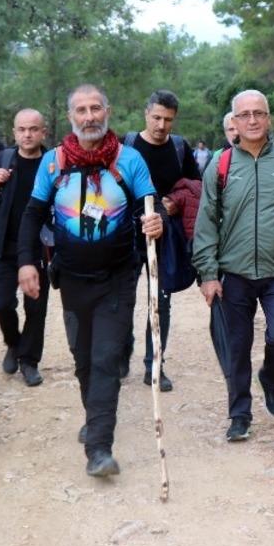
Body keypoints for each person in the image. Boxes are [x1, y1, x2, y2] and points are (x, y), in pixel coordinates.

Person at [17, 84, 162, 478]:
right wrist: (26, 263)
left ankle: (99, 447)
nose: (89, 117)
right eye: (81, 110)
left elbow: (151, 207)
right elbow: (32, 215)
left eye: (95, 108)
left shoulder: (129, 160)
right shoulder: (54, 163)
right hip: (72, 278)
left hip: (118, 277)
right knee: (83, 359)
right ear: (70, 118)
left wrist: (155, 221)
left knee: (104, 359)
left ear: (108, 110)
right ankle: (94, 417)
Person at [193, 90, 274, 442]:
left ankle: (270, 376)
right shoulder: (219, 165)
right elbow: (205, 223)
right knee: (236, 347)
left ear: (268, 118)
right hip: (233, 274)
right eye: (244, 115)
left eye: (259, 113)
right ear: (233, 122)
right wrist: (207, 273)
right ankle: (239, 414)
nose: (252, 120)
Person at [122, 89, 201, 391]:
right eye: (156, 117)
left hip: (164, 237)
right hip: (128, 237)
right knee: (121, 302)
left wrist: (175, 203)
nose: (161, 125)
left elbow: (195, 186)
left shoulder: (180, 148)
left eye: (168, 119)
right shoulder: (127, 146)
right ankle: (119, 355)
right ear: (146, 114)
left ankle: (154, 365)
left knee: (160, 304)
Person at [0, 109, 48, 387]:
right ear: (14, 132)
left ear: (43, 133)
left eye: (33, 129)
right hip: (5, 246)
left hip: (40, 247)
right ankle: (13, 343)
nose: (28, 134)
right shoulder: (4, 158)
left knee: (36, 309)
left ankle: (29, 361)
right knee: (2, 302)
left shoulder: (53, 163)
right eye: (22, 129)